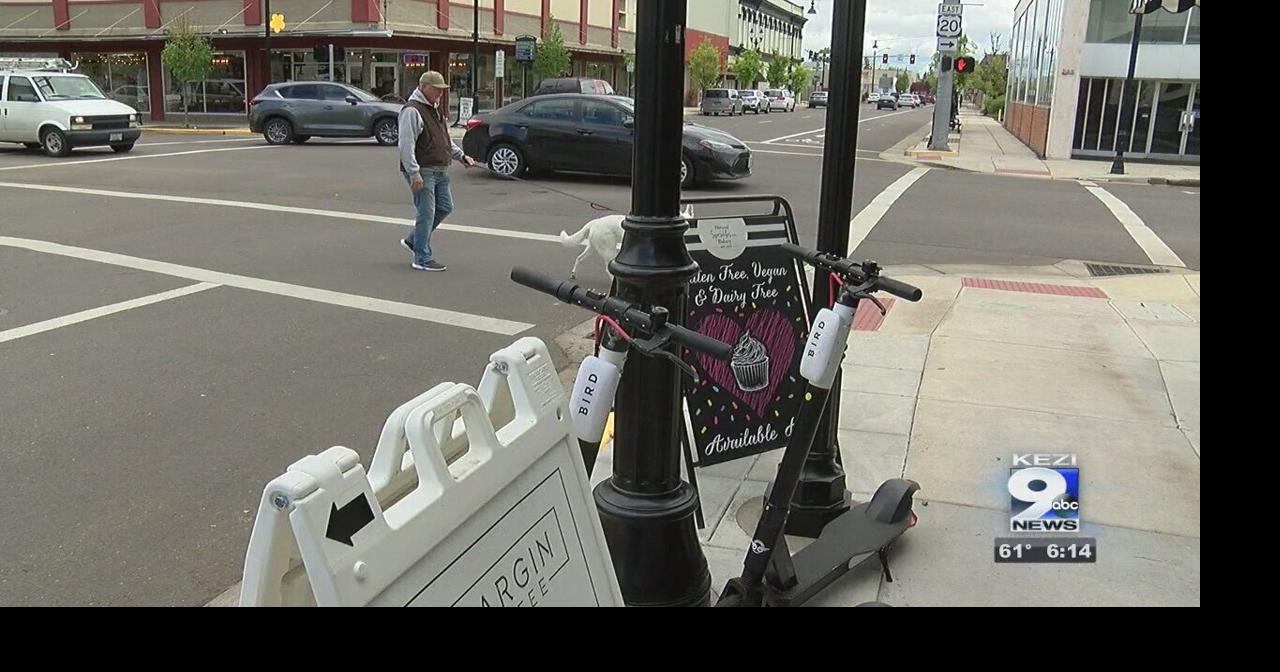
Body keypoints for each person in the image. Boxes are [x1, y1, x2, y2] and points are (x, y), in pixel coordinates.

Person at [397, 70, 476, 272]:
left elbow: (444, 139)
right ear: (423, 87)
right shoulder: (412, 110)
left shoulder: (434, 109)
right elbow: (406, 145)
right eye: (436, 89)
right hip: (424, 169)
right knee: (426, 212)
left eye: (442, 90)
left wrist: (460, 156)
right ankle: (422, 257)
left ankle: (414, 240)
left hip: (439, 168)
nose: (440, 93)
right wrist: (413, 172)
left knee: (445, 207)